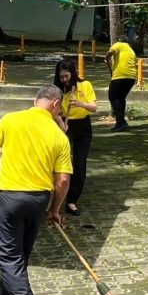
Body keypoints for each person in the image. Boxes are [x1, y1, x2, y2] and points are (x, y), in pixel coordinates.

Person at [0, 85, 72, 295]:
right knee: (16, 258)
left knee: (9, 258)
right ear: (56, 104)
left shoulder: (11, 120)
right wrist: (55, 209)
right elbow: (63, 180)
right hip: (38, 201)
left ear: (36, 100)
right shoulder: (59, 136)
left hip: (10, 198)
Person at [54, 58, 97, 217]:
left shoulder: (85, 85)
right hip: (65, 125)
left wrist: (80, 104)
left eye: (67, 76)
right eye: (61, 77)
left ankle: (72, 200)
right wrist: (60, 122)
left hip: (83, 125)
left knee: (79, 162)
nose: (64, 80)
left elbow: (93, 107)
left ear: (73, 73)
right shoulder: (58, 91)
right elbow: (54, 111)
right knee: (61, 161)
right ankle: (57, 197)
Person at [104, 35, 137, 131]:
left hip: (120, 75)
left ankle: (121, 122)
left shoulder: (118, 44)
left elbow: (110, 52)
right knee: (121, 98)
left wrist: (107, 58)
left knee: (113, 97)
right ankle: (120, 123)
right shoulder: (130, 50)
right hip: (131, 77)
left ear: (119, 40)